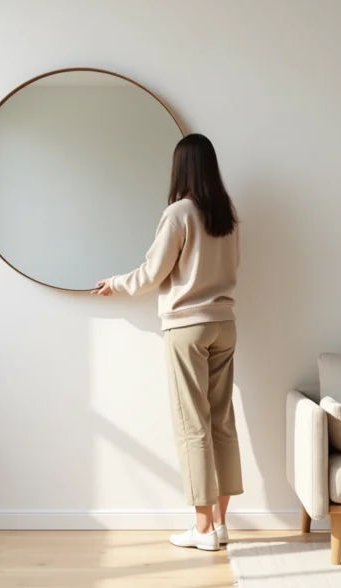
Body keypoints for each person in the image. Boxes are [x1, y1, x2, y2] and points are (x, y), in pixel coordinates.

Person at [92, 133, 242, 552]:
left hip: (187, 328)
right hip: (224, 323)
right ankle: (221, 524)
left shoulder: (179, 213)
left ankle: (204, 529)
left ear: (181, 168)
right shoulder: (226, 215)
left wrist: (115, 284)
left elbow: (153, 272)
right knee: (220, 422)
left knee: (192, 425)